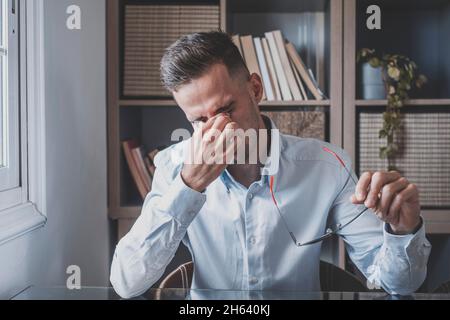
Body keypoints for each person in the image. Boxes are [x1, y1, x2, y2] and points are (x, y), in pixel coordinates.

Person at [110, 31, 431, 299]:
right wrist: (188, 185)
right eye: (199, 121)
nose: (218, 131)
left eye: (226, 110)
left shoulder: (326, 166)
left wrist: (403, 231)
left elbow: (398, 285)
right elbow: (127, 283)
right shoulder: (173, 165)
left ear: (255, 89)